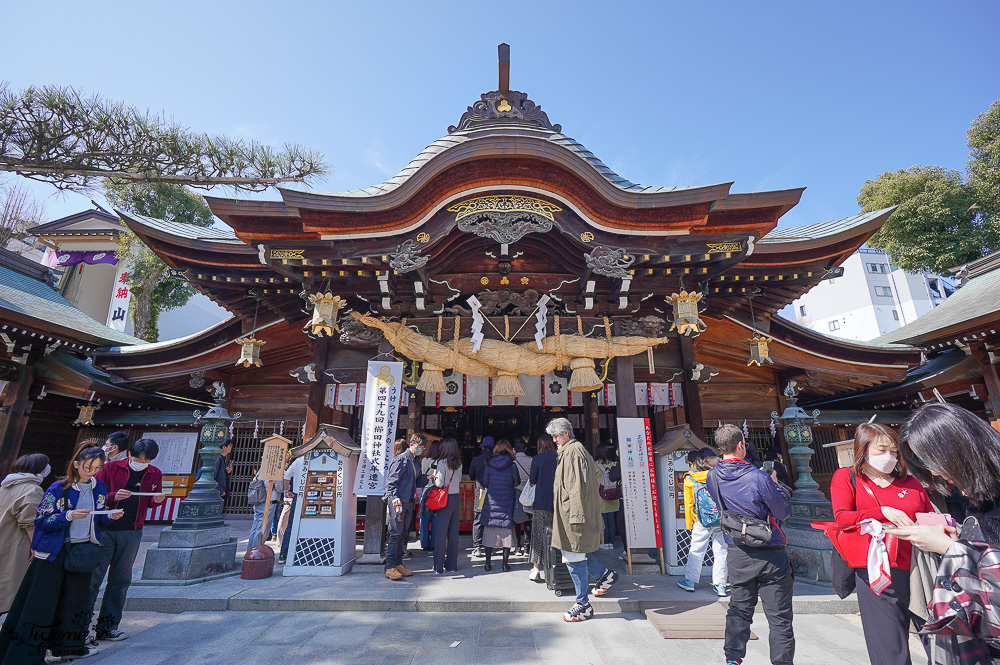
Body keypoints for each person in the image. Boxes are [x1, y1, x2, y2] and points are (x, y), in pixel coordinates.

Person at [889, 403, 1000, 662]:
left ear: (961, 446)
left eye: (934, 460)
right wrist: (961, 540)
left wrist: (951, 549)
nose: (934, 471)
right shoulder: (977, 495)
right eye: (925, 464)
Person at [0, 441, 123, 664]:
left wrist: (109, 515)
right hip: (54, 552)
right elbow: (42, 519)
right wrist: (67, 516)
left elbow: (98, 518)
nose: (92, 472)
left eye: (97, 468)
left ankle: (70, 648)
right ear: (76, 464)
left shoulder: (100, 488)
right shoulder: (58, 488)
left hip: (82, 550)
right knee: (41, 604)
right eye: (88, 467)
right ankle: (26, 656)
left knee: (76, 603)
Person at [829, 423, 931, 665]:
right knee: (889, 649)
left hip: (920, 568)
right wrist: (881, 512)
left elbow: (928, 514)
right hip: (878, 570)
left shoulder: (911, 482)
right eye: (881, 450)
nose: (889, 457)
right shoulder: (848, 477)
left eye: (894, 451)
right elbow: (841, 518)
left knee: (939, 641)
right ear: (863, 450)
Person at [707, 424, 793, 665]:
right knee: (779, 617)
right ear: (740, 445)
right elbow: (782, 512)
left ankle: (733, 659)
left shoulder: (712, 477)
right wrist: (775, 484)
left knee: (739, 609)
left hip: (737, 550)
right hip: (770, 551)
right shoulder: (759, 477)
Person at [89, 438, 165, 642]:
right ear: (130, 454)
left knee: (121, 580)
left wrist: (156, 500)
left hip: (132, 530)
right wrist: (114, 496)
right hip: (105, 528)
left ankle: (108, 627)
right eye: (139, 459)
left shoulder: (155, 473)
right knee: (93, 578)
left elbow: (150, 501)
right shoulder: (110, 468)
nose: (142, 462)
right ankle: (80, 627)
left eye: (147, 460)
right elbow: (94, 494)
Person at [548, 417, 618, 622]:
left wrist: (576, 516)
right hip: (571, 512)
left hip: (573, 514)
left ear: (566, 433)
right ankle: (604, 575)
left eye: (556, 436)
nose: (554, 440)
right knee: (575, 551)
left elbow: (576, 486)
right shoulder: (572, 451)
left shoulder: (573, 452)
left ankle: (583, 604)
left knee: (573, 555)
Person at [0, 454, 49, 614]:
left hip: (4, 537)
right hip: (15, 544)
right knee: (9, 586)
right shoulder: (32, 489)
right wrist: (36, 546)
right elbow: (30, 522)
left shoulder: (6, 485)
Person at [680, 447, 728, 596]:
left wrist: (690, 523)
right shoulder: (720, 474)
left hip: (701, 519)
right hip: (721, 518)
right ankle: (720, 585)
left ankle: (690, 581)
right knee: (721, 550)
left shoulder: (690, 478)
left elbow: (689, 504)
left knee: (696, 550)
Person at [384, 433, 426, 580]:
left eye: (423, 447)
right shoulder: (401, 459)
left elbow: (416, 481)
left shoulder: (415, 461)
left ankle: (398, 563)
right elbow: (391, 481)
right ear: (412, 444)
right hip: (399, 502)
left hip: (408, 501)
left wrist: (427, 478)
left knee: (403, 533)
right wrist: (394, 496)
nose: (422, 449)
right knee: (395, 533)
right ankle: (390, 567)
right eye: (420, 446)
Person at [481, 439, 519, 572]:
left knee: (489, 533)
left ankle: (487, 564)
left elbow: (485, 482)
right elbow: (517, 481)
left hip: (492, 504)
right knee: (506, 534)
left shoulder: (489, 464)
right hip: (507, 503)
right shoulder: (512, 465)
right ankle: (504, 564)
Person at [528, 433, 557, 582]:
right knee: (555, 536)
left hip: (540, 501)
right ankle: (554, 567)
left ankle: (536, 569)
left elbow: (532, 480)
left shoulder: (537, 459)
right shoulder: (558, 458)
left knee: (538, 535)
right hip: (556, 502)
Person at [432, 438, 463, 574]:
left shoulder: (442, 463)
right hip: (456, 497)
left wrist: (434, 478)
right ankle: (451, 565)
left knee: (441, 533)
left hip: (444, 499)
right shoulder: (459, 464)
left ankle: (438, 566)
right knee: (453, 533)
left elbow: (439, 483)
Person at [468, 436, 495, 558]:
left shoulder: (476, 460)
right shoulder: (496, 460)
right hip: (494, 493)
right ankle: (490, 546)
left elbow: (471, 476)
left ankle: (477, 547)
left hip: (480, 492)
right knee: (492, 519)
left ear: (482, 447)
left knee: (478, 519)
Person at [278, 451, 304, 564]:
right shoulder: (317, 459)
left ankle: (283, 554)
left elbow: (287, 476)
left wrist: (286, 490)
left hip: (298, 496)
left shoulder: (298, 461)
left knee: (291, 525)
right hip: (312, 496)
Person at [247, 468, 282, 551]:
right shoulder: (275, 470)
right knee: (263, 528)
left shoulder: (262, 469)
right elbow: (279, 488)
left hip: (258, 500)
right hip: (268, 501)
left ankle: (250, 549)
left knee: (255, 526)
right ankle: (256, 549)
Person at [594, 445, 620, 551]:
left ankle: (605, 541)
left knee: (603, 520)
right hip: (613, 495)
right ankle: (612, 542)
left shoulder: (595, 465)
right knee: (611, 519)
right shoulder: (613, 463)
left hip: (601, 495)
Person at [419, 438, 442, 551]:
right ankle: (434, 543)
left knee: (424, 518)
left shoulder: (424, 460)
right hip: (437, 491)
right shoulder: (441, 461)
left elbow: (422, 475)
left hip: (426, 490)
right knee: (436, 518)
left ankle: (424, 544)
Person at [513, 439, 533, 555]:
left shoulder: (513, 462)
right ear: (525, 449)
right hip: (529, 493)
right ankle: (527, 548)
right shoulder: (531, 460)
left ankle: (517, 547)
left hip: (517, 492)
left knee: (516, 519)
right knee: (528, 520)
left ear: (514, 450)